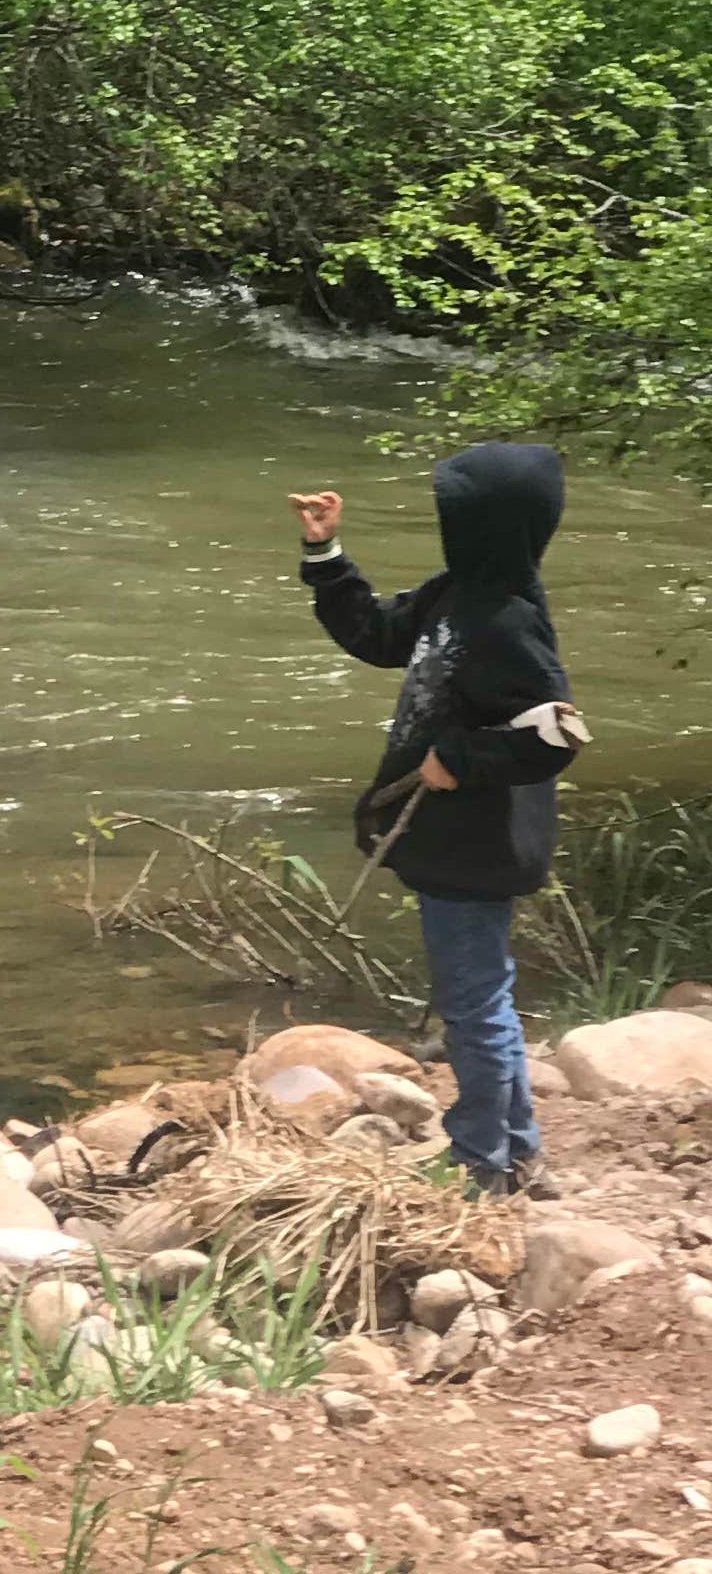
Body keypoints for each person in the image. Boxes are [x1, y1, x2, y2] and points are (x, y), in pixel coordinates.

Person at [291, 447, 588, 1196]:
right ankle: (517, 1151)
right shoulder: (452, 595)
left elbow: (558, 735)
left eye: (453, 514)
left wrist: (460, 757)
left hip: (477, 842)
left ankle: (480, 1160)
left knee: (473, 1007)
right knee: (482, 999)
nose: (444, 524)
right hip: (452, 837)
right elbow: (375, 634)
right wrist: (326, 554)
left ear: (487, 526)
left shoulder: (509, 618)